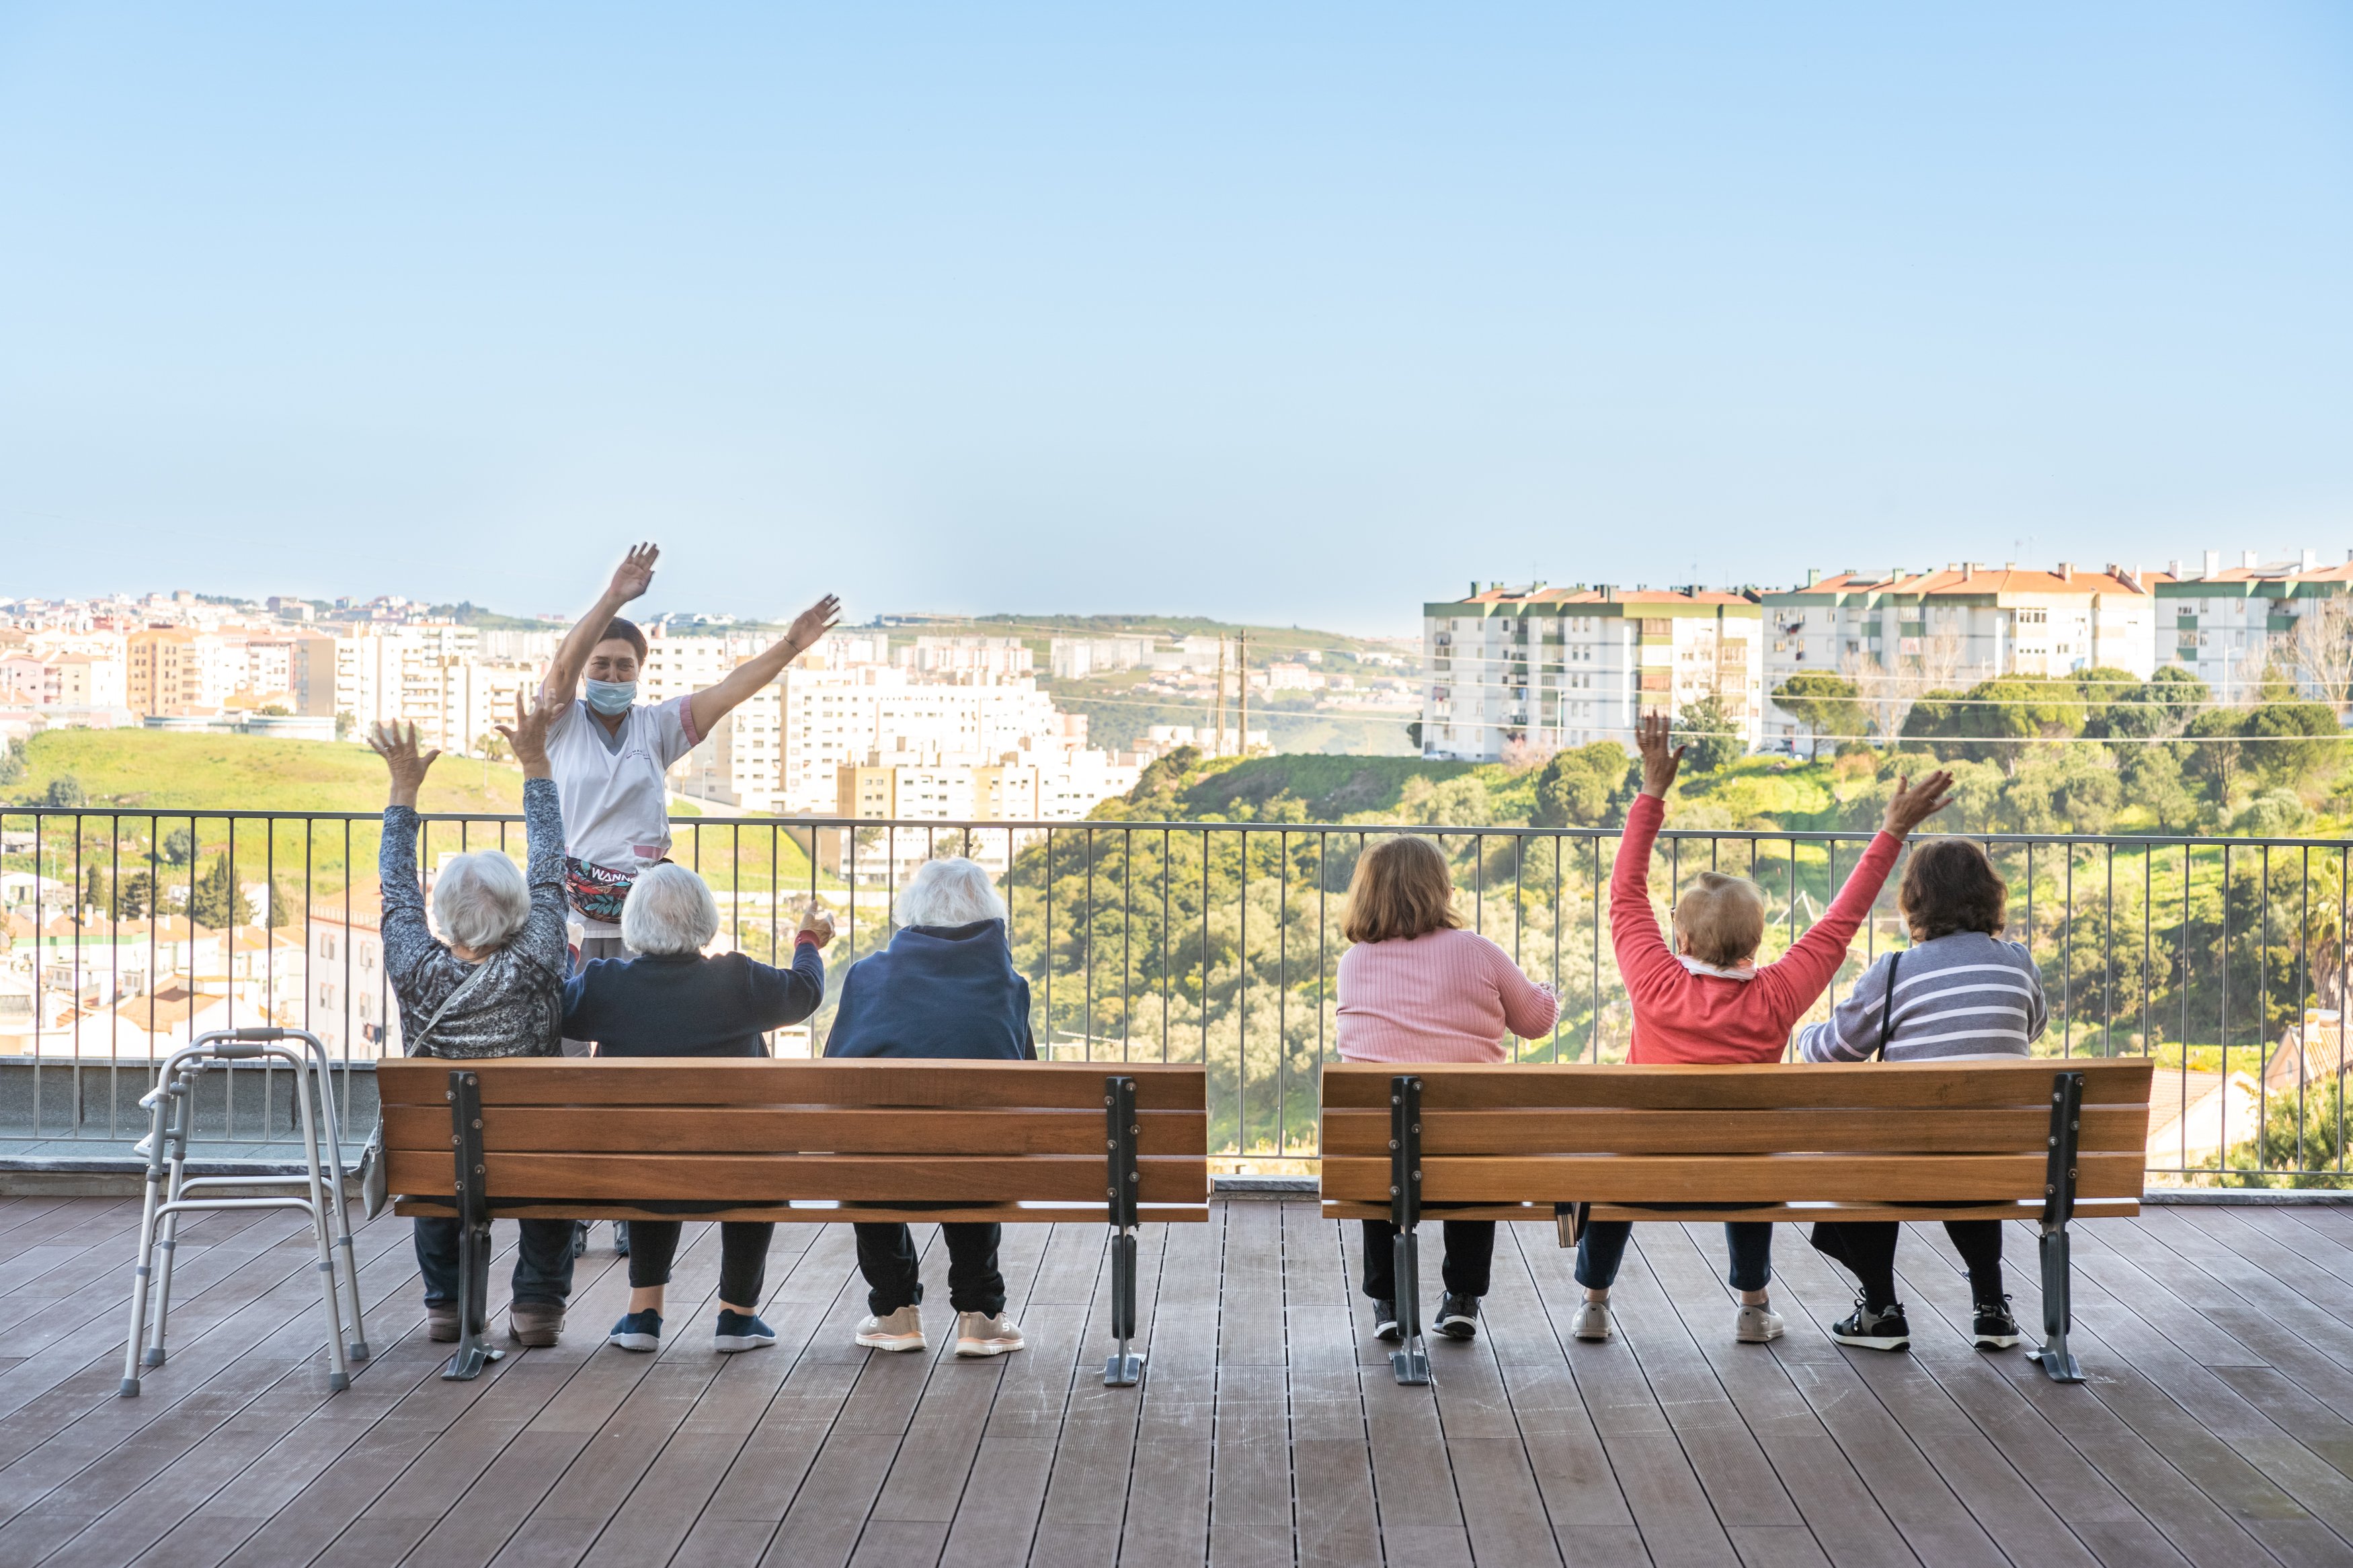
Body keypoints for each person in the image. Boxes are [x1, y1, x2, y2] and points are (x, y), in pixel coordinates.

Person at [1572, 712, 1954, 1346]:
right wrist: (1891, 831)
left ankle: (1594, 1301)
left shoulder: (1654, 981)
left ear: (1683, 939)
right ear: (1756, 941)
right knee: (1749, 1155)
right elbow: (1842, 919)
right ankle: (1753, 1307)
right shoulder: (1778, 993)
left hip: (1648, 1169)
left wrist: (1653, 791)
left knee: (1617, 1166)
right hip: (1740, 1173)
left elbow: (1624, 892)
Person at [540, 544, 835, 1254]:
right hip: (572, 917)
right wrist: (611, 598)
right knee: (570, 1058)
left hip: (648, 922)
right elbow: (556, 669)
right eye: (600, 666)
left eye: (623, 667)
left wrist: (789, 647)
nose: (610, 675)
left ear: (640, 674)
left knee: (638, 1064)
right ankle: (576, 1198)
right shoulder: (559, 722)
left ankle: (627, 1196)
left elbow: (731, 690)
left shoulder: (655, 727)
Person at [370, 694, 576, 1348]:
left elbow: (395, 886)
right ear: (518, 911)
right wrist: (536, 760)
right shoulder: (541, 952)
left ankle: (447, 1302)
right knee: (550, 1163)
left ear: (442, 914)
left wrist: (403, 787)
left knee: (441, 1162)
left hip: (445, 1157)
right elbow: (550, 865)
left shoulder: (413, 963)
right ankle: (537, 1302)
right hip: (534, 1148)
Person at [560, 863, 833, 1354]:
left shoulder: (605, 985)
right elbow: (806, 990)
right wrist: (808, 940)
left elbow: (553, 1002)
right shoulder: (740, 980)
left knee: (652, 1145)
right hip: (736, 1169)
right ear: (704, 919)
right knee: (758, 1155)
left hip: (635, 1168)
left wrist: (571, 949)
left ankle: (644, 1311)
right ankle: (738, 1316)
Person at [1796, 837, 2046, 1353]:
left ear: (1915, 900)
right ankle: (1992, 1308)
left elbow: (1831, 1050)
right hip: (2001, 1159)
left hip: (1910, 1161)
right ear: (1988, 895)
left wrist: (1800, 1032)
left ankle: (1881, 1311)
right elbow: (2033, 1025)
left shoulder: (1895, 971)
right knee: (1966, 1146)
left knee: (1861, 1152)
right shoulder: (2019, 962)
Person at [1334, 835, 1558, 1344]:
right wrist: (1547, 991)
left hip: (1381, 1150)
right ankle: (1462, 1297)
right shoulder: (1478, 951)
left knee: (1384, 1155)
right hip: (1468, 1144)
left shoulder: (1355, 963)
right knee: (1475, 1152)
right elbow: (1536, 1021)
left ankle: (1387, 1301)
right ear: (1440, 889)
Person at [824, 857, 1033, 1359]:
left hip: (881, 1170)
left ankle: (895, 1313)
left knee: (868, 1144)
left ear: (915, 910)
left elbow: (833, 1072)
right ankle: (982, 1316)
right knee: (975, 1142)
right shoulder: (1008, 986)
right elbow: (1024, 1082)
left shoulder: (867, 975)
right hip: (973, 1169)